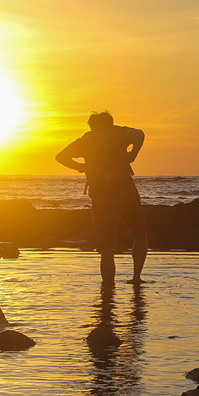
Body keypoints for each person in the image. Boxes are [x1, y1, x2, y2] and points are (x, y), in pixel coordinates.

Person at [56, 111, 147, 285]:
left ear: (93, 125)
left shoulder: (86, 140)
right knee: (140, 235)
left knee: (106, 247)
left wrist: (79, 167)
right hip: (124, 191)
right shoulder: (119, 133)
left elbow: (60, 157)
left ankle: (108, 287)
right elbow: (139, 134)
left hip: (101, 194)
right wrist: (133, 154)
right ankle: (136, 278)